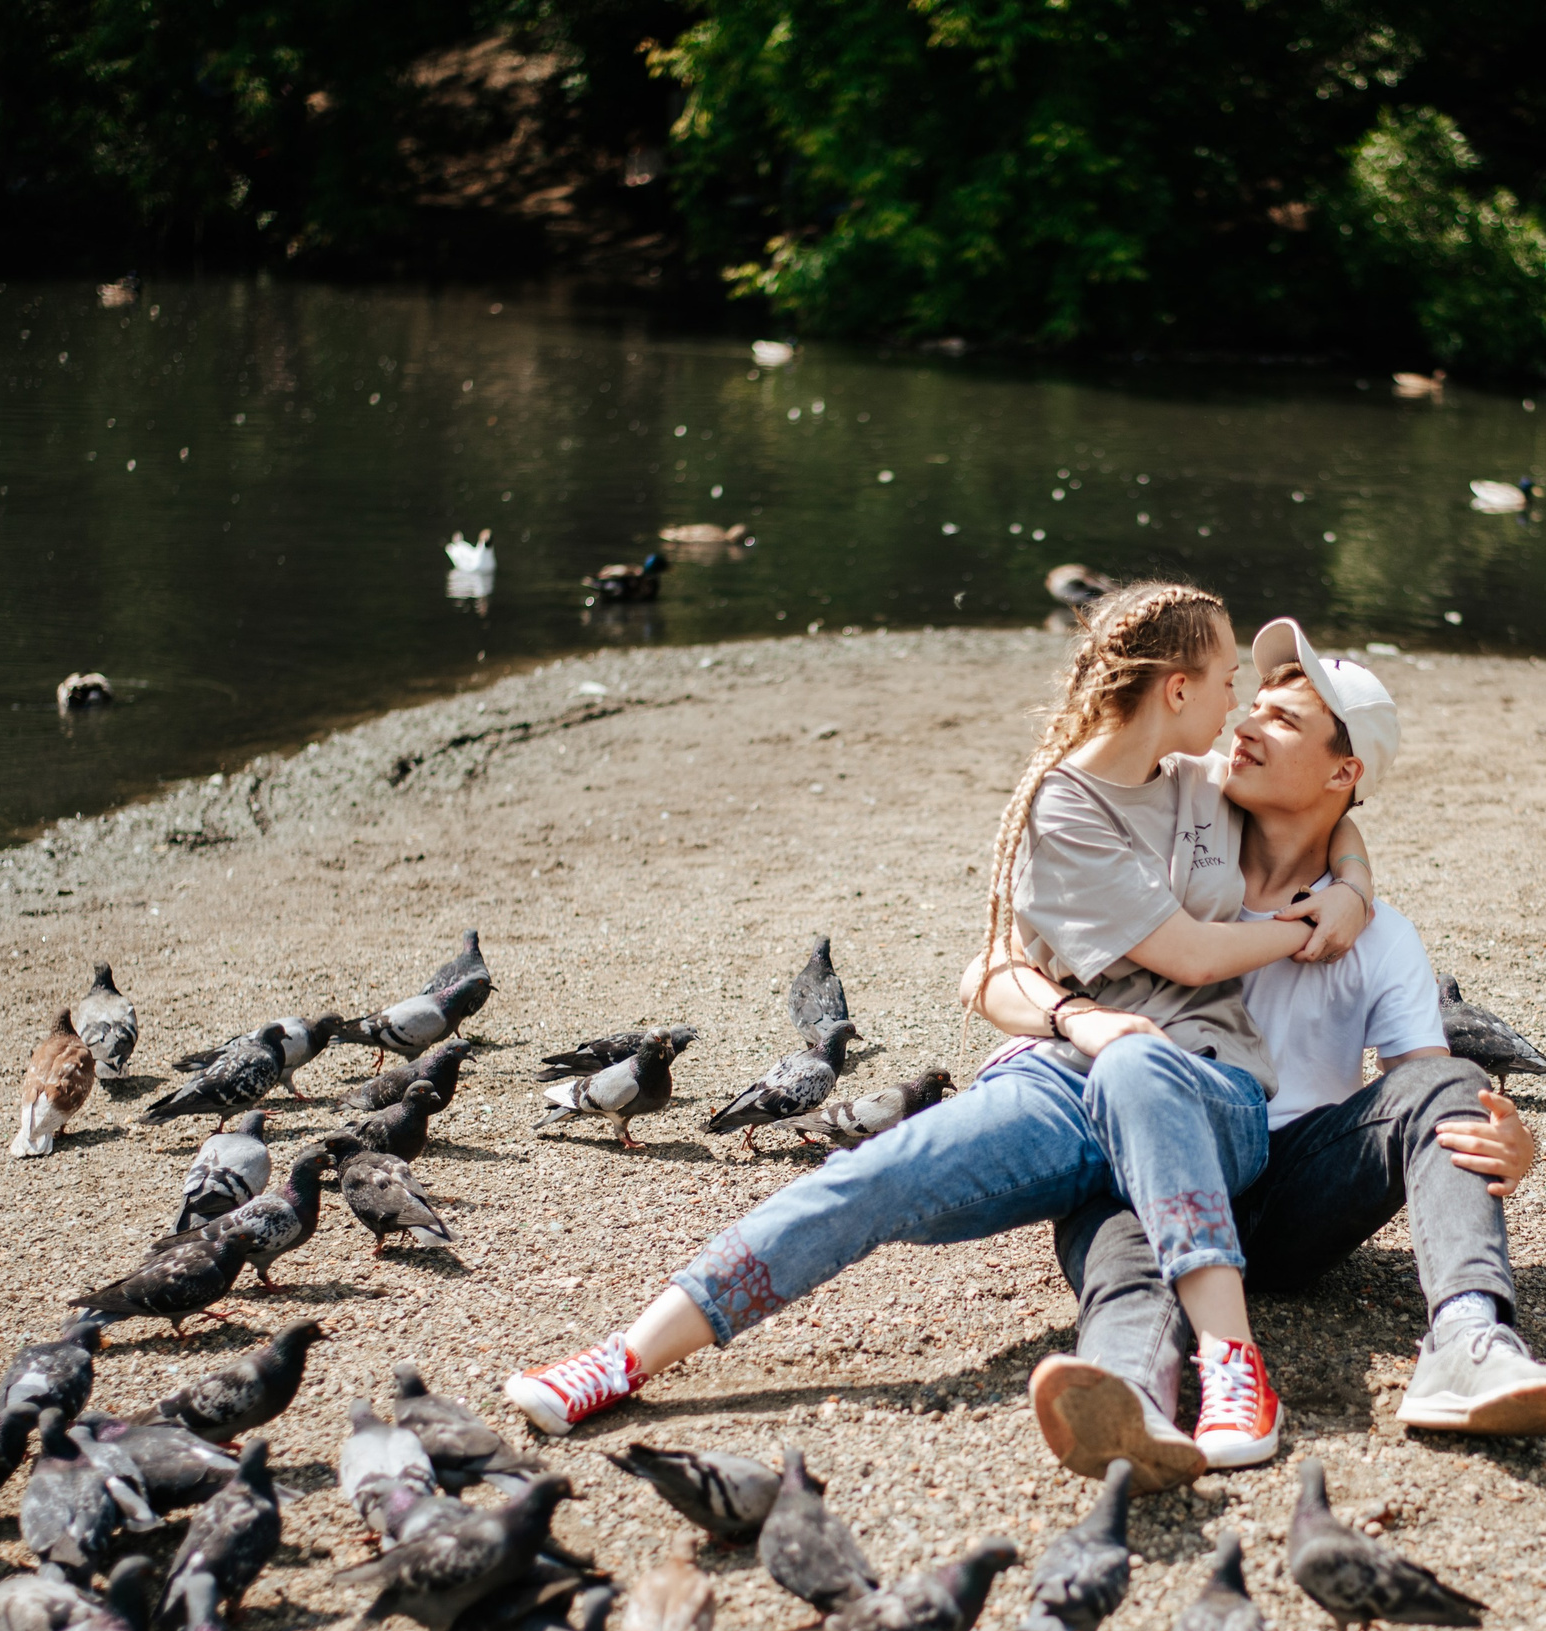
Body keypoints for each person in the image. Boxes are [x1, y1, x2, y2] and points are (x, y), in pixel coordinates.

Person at [502, 583, 1368, 1461]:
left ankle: (1233, 1364)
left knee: (1139, 1068)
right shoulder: (1064, 806)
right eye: (1226, 678)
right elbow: (1164, 955)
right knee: (872, 1175)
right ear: (1176, 691)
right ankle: (622, 1356)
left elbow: (1324, 814)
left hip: (1202, 1085)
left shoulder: (1202, 780)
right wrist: (1292, 930)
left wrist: (1354, 887)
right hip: (1062, 1084)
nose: (1235, 703)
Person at [970, 618, 1546, 1492]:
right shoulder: (1163, 872)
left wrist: (1498, 1136)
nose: (1246, 724)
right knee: (1122, 1198)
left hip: (1293, 1195)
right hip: (1154, 1165)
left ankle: (1471, 1343)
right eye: (1248, 705)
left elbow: (1418, 1095)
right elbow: (995, 959)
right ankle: (1128, 1392)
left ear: (1345, 773)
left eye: (1283, 721)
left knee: (1449, 1077)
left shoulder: (1379, 938)